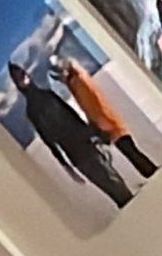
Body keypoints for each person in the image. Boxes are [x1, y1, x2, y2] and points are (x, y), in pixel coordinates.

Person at [7, 62, 132, 208]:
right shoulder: (33, 110)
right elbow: (49, 141)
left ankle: (129, 202)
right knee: (110, 184)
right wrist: (66, 166)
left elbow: (71, 115)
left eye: (23, 74)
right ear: (18, 84)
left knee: (112, 179)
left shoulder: (47, 96)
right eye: (19, 78)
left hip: (83, 143)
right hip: (76, 152)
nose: (23, 78)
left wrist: (93, 133)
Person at [56, 57, 160, 181]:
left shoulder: (79, 83)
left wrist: (99, 124)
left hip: (107, 122)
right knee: (128, 147)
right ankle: (147, 169)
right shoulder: (79, 81)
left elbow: (92, 105)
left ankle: (148, 170)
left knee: (127, 148)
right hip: (107, 121)